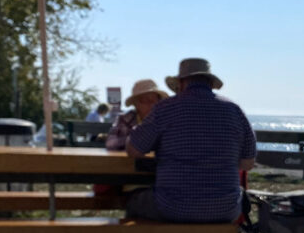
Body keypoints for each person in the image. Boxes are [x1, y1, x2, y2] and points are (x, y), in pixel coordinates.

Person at [124, 58, 256, 223]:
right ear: (210, 83)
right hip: (225, 208)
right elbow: (247, 164)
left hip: (172, 206)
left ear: (181, 83)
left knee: (133, 201)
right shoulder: (235, 110)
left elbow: (134, 150)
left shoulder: (166, 108)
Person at [105, 80, 169, 151]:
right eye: (144, 101)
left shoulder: (166, 119)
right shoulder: (125, 119)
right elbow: (110, 143)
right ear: (136, 104)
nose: (151, 105)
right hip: (131, 161)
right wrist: (136, 139)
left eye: (153, 101)